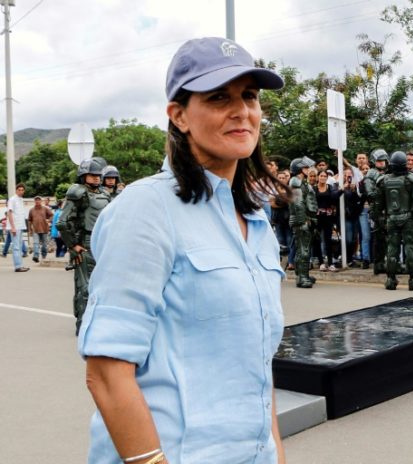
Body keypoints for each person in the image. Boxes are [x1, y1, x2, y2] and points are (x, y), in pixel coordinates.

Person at [78, 38, 288, 464]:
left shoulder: (258, 224)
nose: (241, 111)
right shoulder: (146, 209)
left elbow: (256, 372)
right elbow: (106, 372)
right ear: (179, 116)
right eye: (218, 97)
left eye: (249, 96)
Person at [57, 157, 111, 333]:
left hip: (104, 243)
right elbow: (63, 222)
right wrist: (73, 246)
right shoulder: (78, 193)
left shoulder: (105, 194)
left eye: (98, 175)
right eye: (92, 175)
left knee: (105, 285)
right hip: (86, 243)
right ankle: (83, 324)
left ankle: (99, 322)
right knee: (85, 287)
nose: (96, 177)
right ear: (83, 176)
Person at [376, 151, 413, 291]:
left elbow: (378, 206)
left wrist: (380, 221)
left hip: (391, 218)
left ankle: (391, 279)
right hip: (407, 218)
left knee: (392, 248)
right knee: (411, 247)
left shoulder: (383, 181)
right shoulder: (410, 180)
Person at [289, 156, 317, 288]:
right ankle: (302, 276)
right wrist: (303, 221)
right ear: (300, 169)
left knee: (302, 248)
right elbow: (298, 204)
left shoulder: (301, 182)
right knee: (303, 249)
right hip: (302, 220)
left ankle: (301, 273)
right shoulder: (296, 182)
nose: (308, 169)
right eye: (305, 167)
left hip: (306, 218)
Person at [363, 148, 389, 273]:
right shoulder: (370, 175)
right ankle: (378, 264)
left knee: (386, 238)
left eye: (383, 160)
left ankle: (384, 263)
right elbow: (370, 193)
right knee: (379, 238)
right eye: (379, 160)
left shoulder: (387, 173)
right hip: (377, 210)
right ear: (374, 161)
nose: (381, 162)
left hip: (387, 209)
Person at [314, 169, 341, 271]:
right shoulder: (313, 189)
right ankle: (321, 263)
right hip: (317, 218)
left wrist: (341, 190)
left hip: (328, 217)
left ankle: (330, 263)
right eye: (321, 176)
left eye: (325, 176)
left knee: (328, 240)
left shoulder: (330, 188)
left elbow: (334, 198)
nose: (323, 178)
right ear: (318, 177)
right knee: (317, 240)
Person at [7, 183, 30, 272]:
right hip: (15, 227)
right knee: (16, 247)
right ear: (16, 190)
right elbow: (9, 213)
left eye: (22, 190)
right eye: (19, 190)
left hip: (20, 226)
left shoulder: (21, 200)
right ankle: (17, 266)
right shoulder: (12, 199)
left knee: (20, 247)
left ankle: (20, 265)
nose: (20, 191)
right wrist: (13, 227)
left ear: (24, 191)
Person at [27, 196, 53, 263]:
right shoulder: (31, 210)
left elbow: (51, 215)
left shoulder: (45, 209)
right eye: (36, 200)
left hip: (44, 229)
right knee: (35, 243)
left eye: (39, 200)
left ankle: (44, 255)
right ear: (34, 201)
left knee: (44, 244)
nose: (37, 201)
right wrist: (30, 229)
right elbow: (29, 220)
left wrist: (49, 220)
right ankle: (36, 256)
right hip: (35, 230)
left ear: (41, 201)